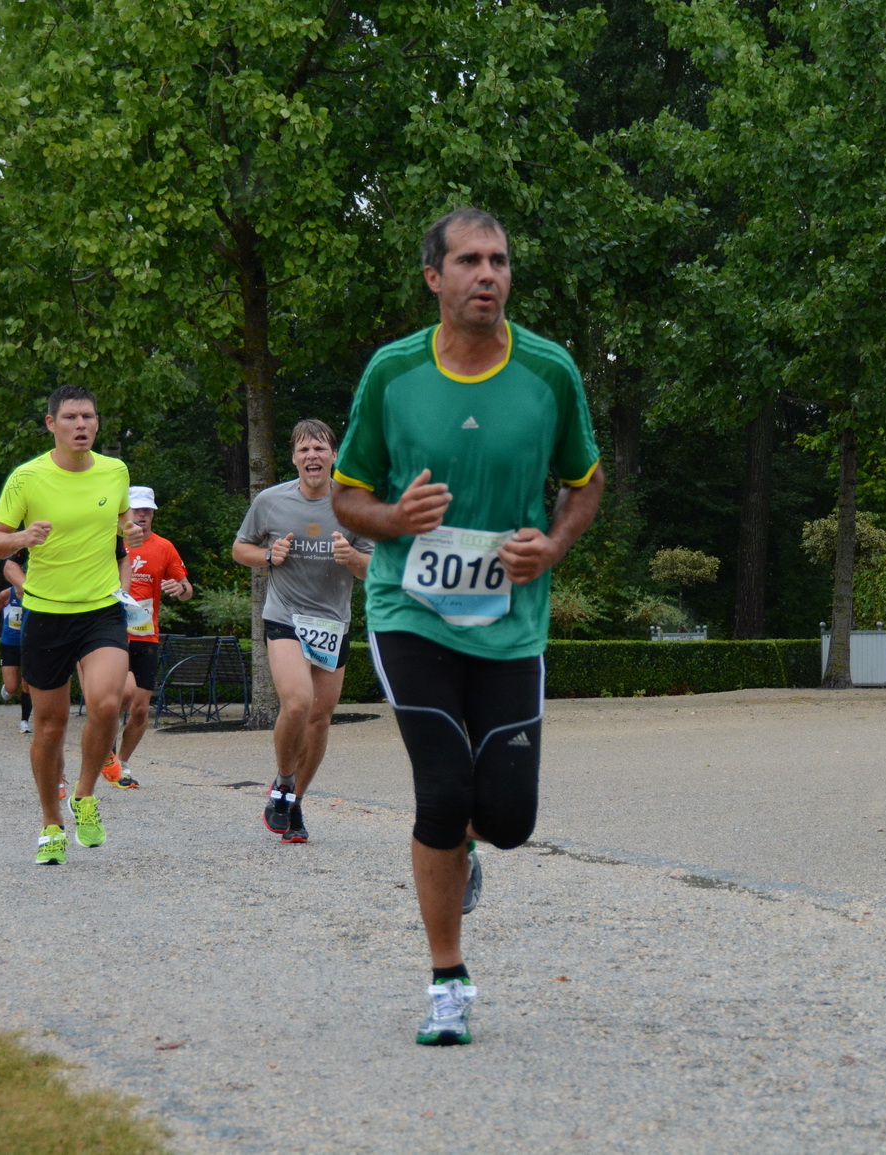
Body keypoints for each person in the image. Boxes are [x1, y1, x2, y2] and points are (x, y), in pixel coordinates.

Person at [332, 207, 603, 1046]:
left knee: (510, 817)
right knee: (442, 792)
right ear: (434, 278)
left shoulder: (551, 372)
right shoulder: (394, 372)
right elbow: (346, 495)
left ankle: (469, 850)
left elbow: (586, 481)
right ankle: (448, 978)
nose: (489, 274)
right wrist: (393, 517)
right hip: (410, 610)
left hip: (510, 620)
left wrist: (552, 545)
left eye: (501, 261)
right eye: (470, 261)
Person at [0, 385, 143, 865]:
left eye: (89, 417)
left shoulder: (115, 470)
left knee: (108, 702)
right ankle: (50, 822)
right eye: (71, 417)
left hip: (100, 609)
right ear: (51, 423)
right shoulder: (27, 477)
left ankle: (85, 794)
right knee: (49, 726)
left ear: (97, 423)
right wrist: (22, 536)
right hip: (47, 613)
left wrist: (128, 530)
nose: (82, 425)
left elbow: (118, 523)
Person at [232, 420, 372, 844]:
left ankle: (291, 803)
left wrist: (351, 558)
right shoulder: (270, 501)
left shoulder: (354, 505)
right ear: (294, 458)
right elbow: (240, 549)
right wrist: (268, 556)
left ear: (334, 456)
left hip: (333, 623)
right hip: (286, 617)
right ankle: (282, 781)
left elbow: (376, 568)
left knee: (319, 721)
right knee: (297, 703)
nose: (313, 456)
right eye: (304, 449)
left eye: (320, 448)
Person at [107, 485, 193, 788]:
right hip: (112, 632)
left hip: (146, 634)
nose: (141, 515)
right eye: (136, 509)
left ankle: (123, 763)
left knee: (141, 709)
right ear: (126, 512)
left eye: (147, 510)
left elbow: (186, 589)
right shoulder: (110, 541)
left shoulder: (164, 547)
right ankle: (106, 751)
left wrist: (179, 589)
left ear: (153, 513)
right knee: (119, 697)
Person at [0, 551, 33, 734]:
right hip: (9, 643)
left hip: (28, 643)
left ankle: (24, 721)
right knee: (12, 687)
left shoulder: (34, 595)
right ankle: (8, 687)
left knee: (27, 684)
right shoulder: (6, 595)